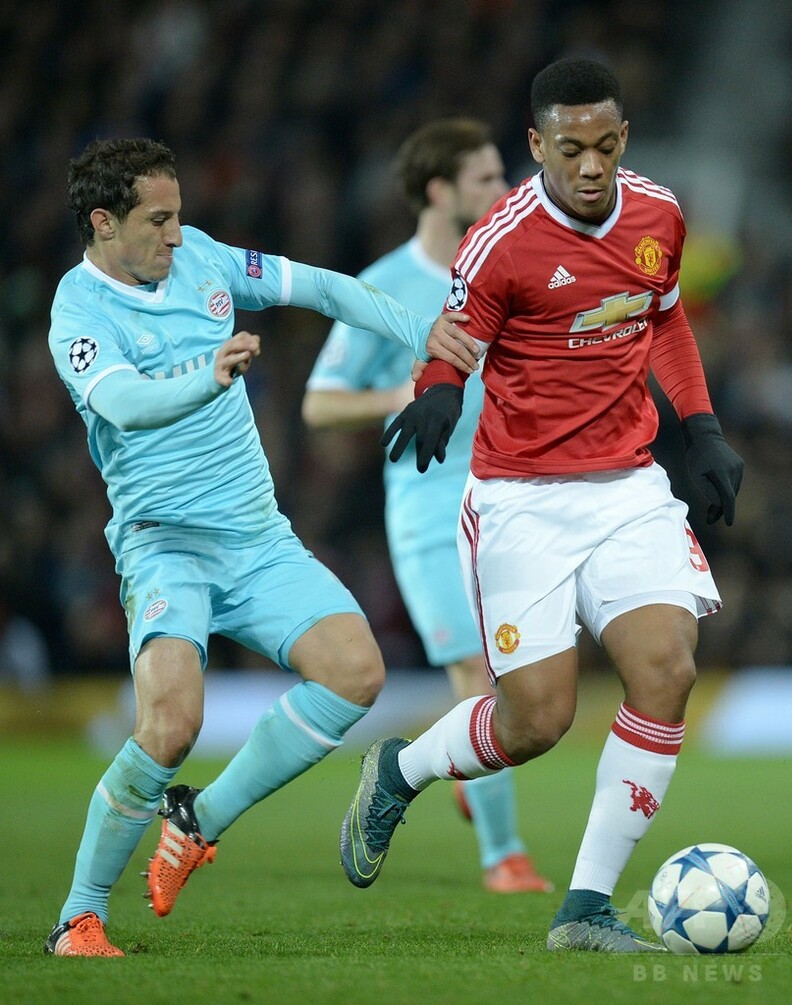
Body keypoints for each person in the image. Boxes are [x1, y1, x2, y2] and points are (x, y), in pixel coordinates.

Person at [339, 58, 744, 953]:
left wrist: (703, 426)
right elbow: (452, 340)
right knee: (537, 721)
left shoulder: (659, 214)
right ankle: (400, 771)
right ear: (537, 145)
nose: (590, 165)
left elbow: (664, 318)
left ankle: (585, 907)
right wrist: (439, 390)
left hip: (628, 487)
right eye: (570, 149)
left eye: (604, 145)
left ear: (623, 137)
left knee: (667, 668)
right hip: (520, 498)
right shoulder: (502, 240)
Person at [43, 136, 480, 957]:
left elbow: (320, 287)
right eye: (158, 220)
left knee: (356, 671)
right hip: (165, 542)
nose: (177, 235)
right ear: (103, 223)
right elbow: (125, 404)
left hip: (255, 535)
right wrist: (205, 377)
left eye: (179, 215)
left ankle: (199, 819)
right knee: (170, 725)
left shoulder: (203, 259)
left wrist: (419, 329)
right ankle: (78, 916)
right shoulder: (80, 314)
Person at [302, 119, 552, 894]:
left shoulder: (510, 267)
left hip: (512, 499)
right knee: (476, 670)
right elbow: (319, 403)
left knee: (521, 673)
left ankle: (471, 766)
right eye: (485, 178)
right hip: (428, 511)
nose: (503, 190)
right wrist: (400, 395)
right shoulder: (384, 285)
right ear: (440, 191)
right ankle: (504, 854)